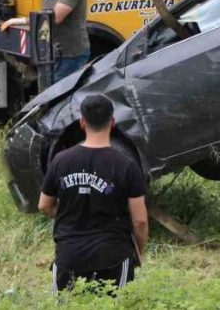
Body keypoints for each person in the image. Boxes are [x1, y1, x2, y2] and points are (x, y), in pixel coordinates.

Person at [38, 94, 149, 291]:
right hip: (112, 256)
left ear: (82, 122)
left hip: (69, 255)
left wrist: (69, 214)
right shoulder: (126, 165)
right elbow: (140, 221)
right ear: (113, 122)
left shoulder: (60, 161)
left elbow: (44, 205)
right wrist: (138, 251)